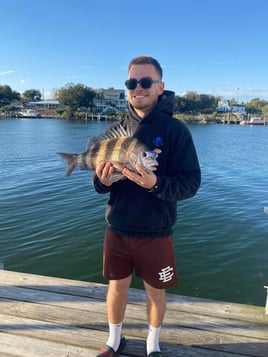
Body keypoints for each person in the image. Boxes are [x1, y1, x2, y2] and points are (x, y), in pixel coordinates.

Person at [93, 55, 201, 357]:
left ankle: (153, 345)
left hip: (157, 231)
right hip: (118, 228)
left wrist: (155, 185)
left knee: (156, 290)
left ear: (160, 86)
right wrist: (103, 180)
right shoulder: (114, 130)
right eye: (131, 82)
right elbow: (98, 184)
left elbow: (191, 183)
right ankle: (114, 341)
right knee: (116, 287)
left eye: (145, 82)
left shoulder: (176, 131)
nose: (137, 88)